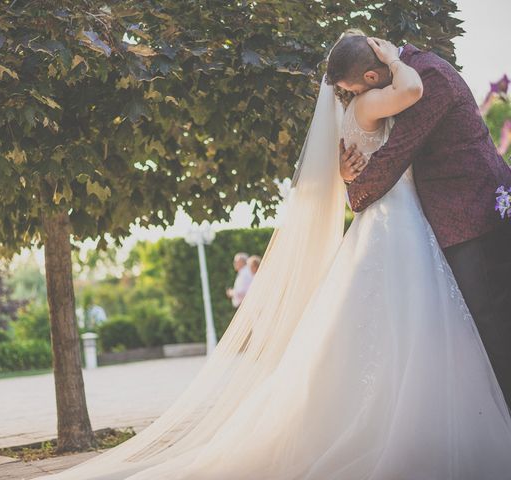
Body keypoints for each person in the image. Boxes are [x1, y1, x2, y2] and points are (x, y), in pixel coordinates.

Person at [32, 33, 511, 480]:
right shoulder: (378, 97)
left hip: (418, 221)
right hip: (401, 221)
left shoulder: (391, 92)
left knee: (414, 328)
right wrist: (391, 57)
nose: (343, 94)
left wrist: (352, 178)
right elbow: (403, 108)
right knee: (423, 326)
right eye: (342, 88)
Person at [337, 34, 511, 407]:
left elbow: (396, 154)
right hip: (463, 214)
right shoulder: (412, 71)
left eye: (350, 89)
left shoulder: (427, 79)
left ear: (370, 77)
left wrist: (353, 190)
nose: (349, 97)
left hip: (473, 217)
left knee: (491, 320)